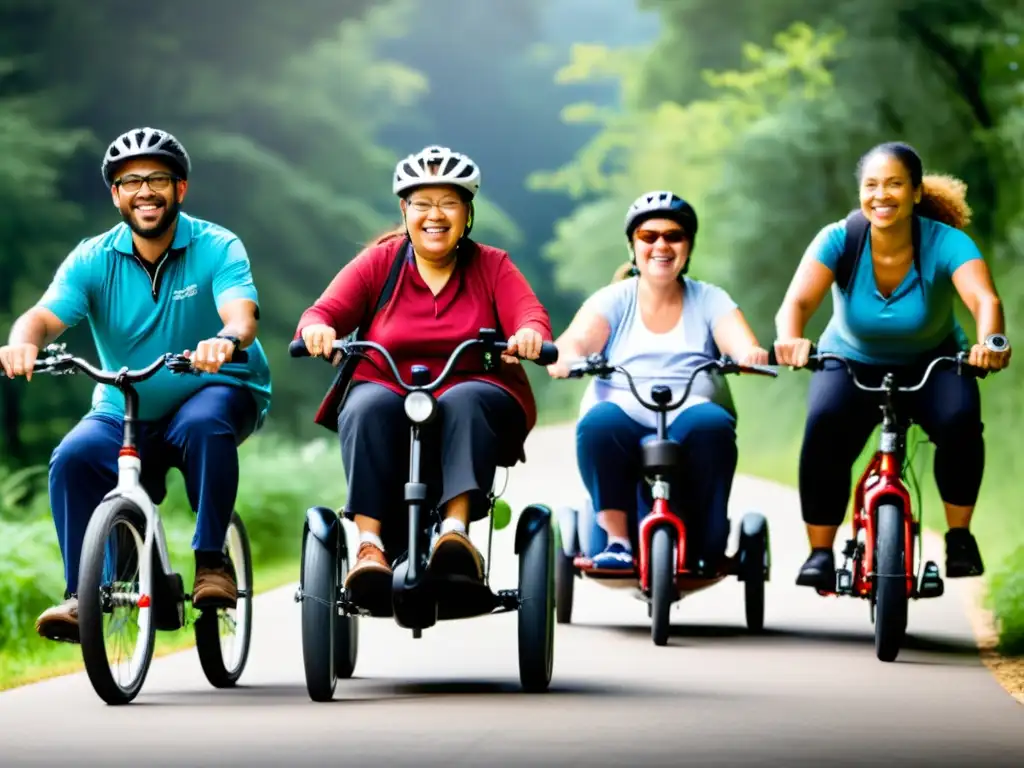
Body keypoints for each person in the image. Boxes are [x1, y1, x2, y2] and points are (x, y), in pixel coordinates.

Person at [0, 127, 273, 642]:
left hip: (216, 384)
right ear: (116, 195)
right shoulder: (93, 257)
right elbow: (42, 316)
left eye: (157, 179)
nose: (144, 190)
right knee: (73, 458)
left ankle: (212, 561)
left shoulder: (216, 245)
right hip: (124, 402)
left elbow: (241, 314)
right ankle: (87, 594)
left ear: (180, 189)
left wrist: (226, 340)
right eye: (131, 181)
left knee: (205, 423)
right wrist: (23, 343)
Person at [295, 144, 552, 610]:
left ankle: (454, 536)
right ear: (405, 209)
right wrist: (317, 329)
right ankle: (369, 546)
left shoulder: (492, 265)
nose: (436, 215)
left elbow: (529, 314)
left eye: (449, 202)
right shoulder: (380, 262)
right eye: (423, 203)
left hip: (475, 393)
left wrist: (530, 334)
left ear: (467, 212)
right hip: (389, 389)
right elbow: (323, 311)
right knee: (367, 403)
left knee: (464, 399)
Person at [773, 141, 1010, 589]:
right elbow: (798, 301)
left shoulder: (946, 242)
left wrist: (991, 342)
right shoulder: (839, 239)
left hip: (934, 360)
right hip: (848, 359)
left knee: (961, 422)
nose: (882, 195)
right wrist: (789, 339)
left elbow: (983, 298)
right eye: (872, 185)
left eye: (895, 184)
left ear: (917, 192)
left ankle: (960, 537)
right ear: (860, 192)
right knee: (823, 425)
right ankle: (820, 551)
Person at [547, 190, 770, 577]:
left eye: (673, 236)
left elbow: (739, 340)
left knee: (711, 426)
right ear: (634, 247)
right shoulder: (614, 299)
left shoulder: (709, 299)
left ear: (688, 247)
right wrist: (565, 357)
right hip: (623, 411)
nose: (661, 245)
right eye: (649, 236)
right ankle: (617, 541)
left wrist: (748, 354)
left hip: (690, 410)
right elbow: (577, 340)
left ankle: (701, 537)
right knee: (600, 424)